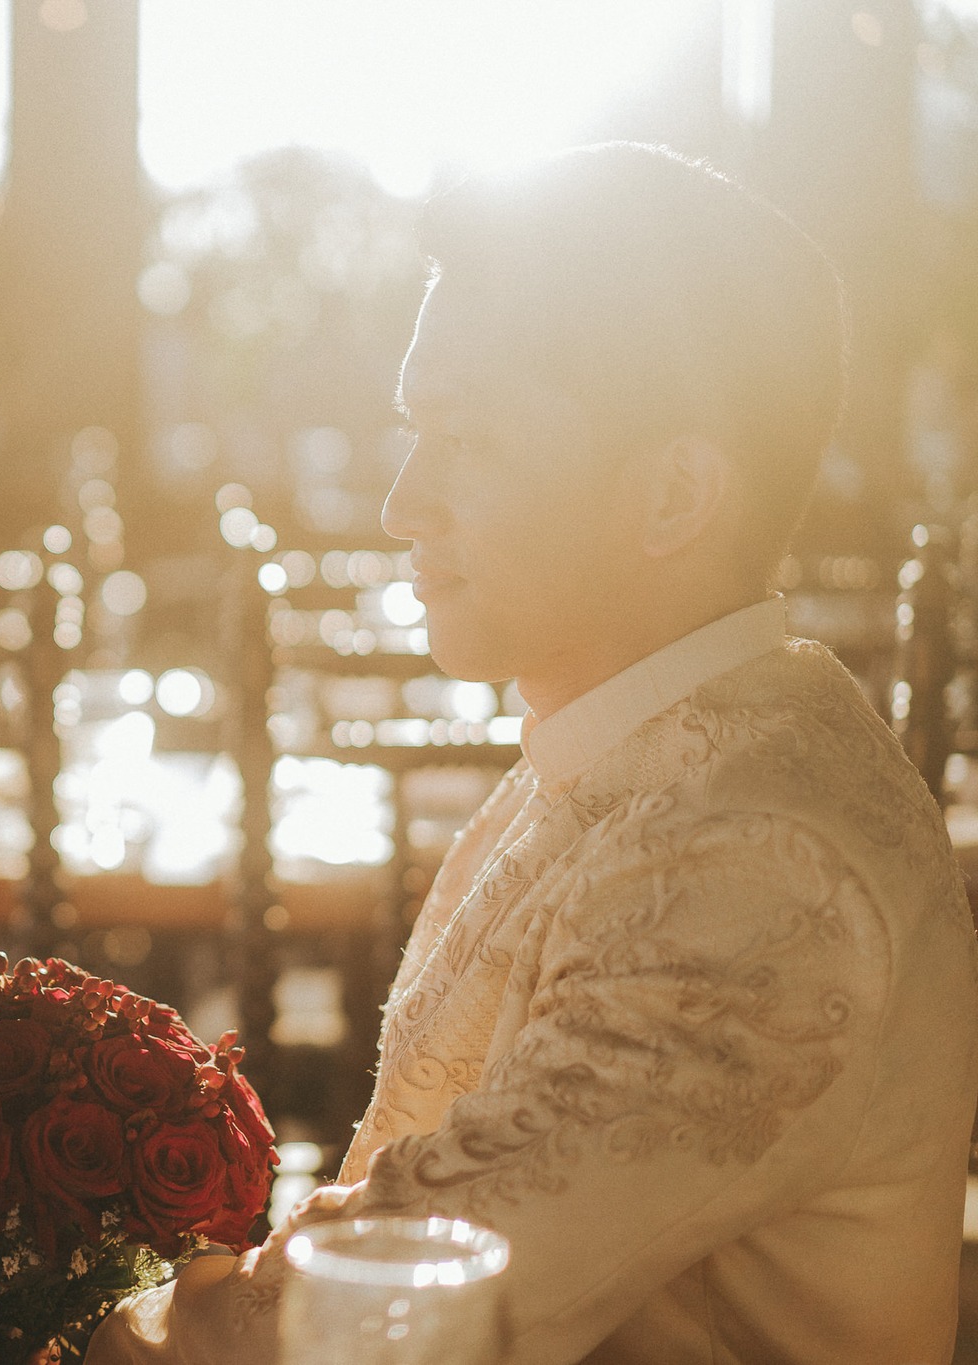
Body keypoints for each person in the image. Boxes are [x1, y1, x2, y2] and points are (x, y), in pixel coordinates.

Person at [89, 143, 978, 1363]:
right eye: (415, 431)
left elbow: (381, 1318)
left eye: (467, 439)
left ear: (672, 496)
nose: (401, 505)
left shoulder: (754, 863)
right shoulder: (632, 742)